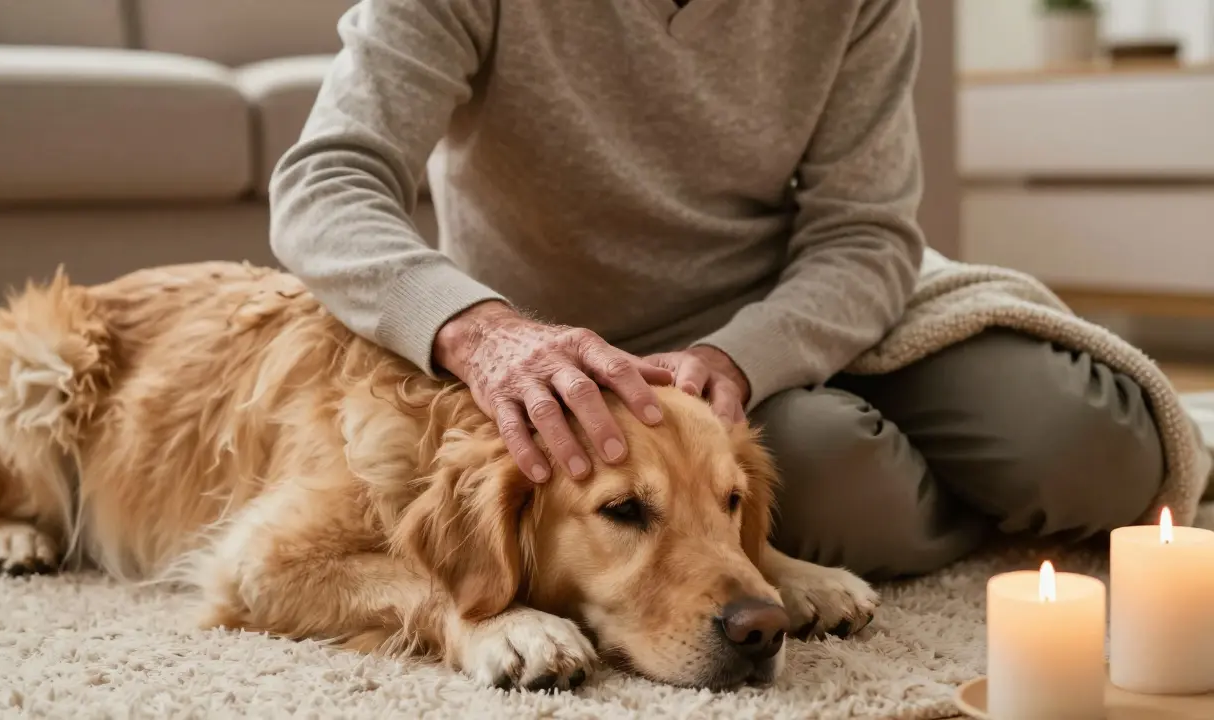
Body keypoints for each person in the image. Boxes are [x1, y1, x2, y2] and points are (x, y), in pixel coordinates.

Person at [269, 0, 1163, 580]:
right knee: (849, 487)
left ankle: (896, 441)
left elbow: (864, 233)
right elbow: (325, 181)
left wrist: (744, 356)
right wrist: (481, 331)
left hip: (796, 317)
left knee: (1103, 446)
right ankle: (929, 488)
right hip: (588, 363)